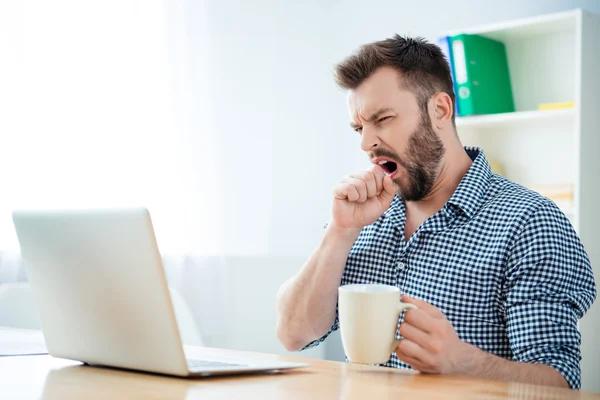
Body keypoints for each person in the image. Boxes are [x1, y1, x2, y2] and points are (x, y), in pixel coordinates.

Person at [275, 35, 596, 389]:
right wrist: (338, 232)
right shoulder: (362, 217)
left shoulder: (531, 223)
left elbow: (560, 386)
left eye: (382, 118)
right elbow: (293, 334)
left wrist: (463, 362)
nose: (366, 143)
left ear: (440, 110)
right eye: (359, 127)